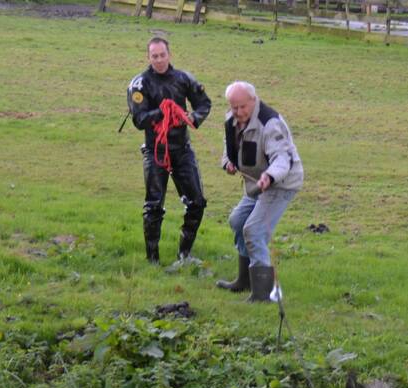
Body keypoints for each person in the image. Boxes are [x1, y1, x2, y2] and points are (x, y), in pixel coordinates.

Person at [217, 81, 304, 303]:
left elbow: (283, 159)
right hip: (256, 183)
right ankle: (244, 281)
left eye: (243, 107)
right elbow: (229, 151)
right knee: (238, 221)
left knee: (254, 230)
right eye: (234, 107)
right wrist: (227, 163)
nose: (238, 112)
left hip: (281, 183)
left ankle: (263, 293)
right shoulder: (232, 120)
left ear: (253, 101)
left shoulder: (270, 123)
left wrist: (270, 176)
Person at [127, 37, 211, 263]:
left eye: (162, 55)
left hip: (182, 150)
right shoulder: (139, 84)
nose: (159, 60)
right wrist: (163, 113)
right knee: (154, 205)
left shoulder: (184, 79)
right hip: (155, 151)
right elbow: (139, 119)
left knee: (197, 202)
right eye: (154, 56)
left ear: (169, 54)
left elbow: (204, 103)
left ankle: (185, 254)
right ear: (148, 57)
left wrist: (192, 117)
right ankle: (152, 259)